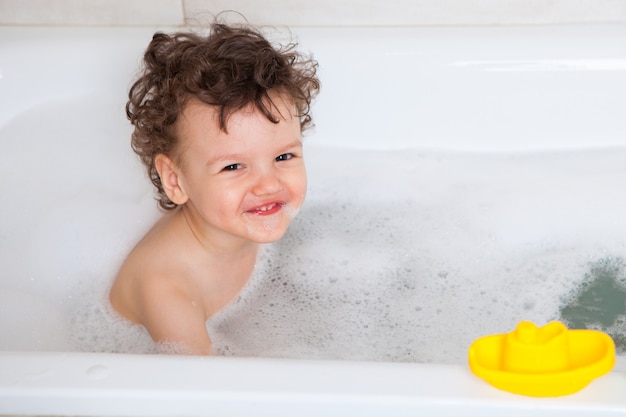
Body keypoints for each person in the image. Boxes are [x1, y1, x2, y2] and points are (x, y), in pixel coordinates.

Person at [109, 21, 320, 355]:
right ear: (175, 180)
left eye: (283, 156)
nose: (268, 184)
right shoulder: (166, 290)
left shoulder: (237, 218)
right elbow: (206, 394)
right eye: (233, 166)